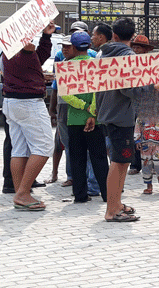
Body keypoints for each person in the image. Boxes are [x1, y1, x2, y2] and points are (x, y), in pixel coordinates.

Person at [2, 22, 56, 211]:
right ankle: (23, 192)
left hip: (11, 102)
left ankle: (20, 193)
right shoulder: (24, 49)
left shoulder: (6, 52)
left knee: (20, 149)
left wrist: (46, 37)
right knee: (44, 146)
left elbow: (36, 60)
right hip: (28, 103)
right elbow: (31, 55)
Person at [96, 18, 141, 221]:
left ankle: (117, 203)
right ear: (132, 36)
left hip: (108, 110)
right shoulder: (128, 57)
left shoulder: (102, 54)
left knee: (122, 160)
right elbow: (128, 88)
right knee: (118, 161)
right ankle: (112, 210)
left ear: (113, 35)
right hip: (121, 114)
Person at [60, 31, 109, 203]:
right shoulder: (97, 64)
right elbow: (99, 91)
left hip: (74, 119)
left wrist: (82, 106)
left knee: (77, 158)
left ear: (73, 47)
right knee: (100, 158)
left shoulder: (66, 66)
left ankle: (80, 195)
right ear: (89, 46)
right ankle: (107, 194)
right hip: (96, 119)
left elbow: (65, 95)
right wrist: (92, 110)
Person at [128, 34, 156, 175]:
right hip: (133, 102)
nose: (136, 50)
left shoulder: (152, 64)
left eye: (138, 48)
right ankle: (134, 164)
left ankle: (150, 161)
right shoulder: (129, 63)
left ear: (145, 50)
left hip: (147, 102)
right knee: (135, 133)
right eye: (134, 47)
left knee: (148, 133)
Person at [135, 86, 159, 195]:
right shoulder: (141, 115)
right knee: (146, 164)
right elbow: (137, 127)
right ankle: (148, 185)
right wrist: (137, 140)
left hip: (158, 144)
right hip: (145, 144)